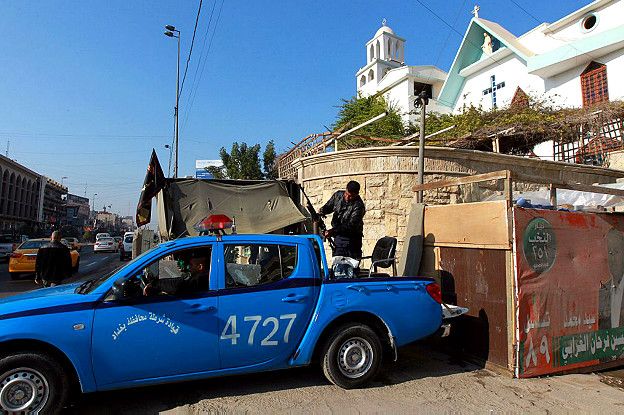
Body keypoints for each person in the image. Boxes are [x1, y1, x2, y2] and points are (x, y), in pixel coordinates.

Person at [318, 180, 366, 259]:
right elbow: (328, 206)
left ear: (356, 194)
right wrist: (321, 212)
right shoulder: (338, 195)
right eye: (346, 194)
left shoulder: (359, 206)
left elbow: (350, 226)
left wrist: (332, 231)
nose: (347, 198)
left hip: (352, 240)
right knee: (337, 261)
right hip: (338, 237)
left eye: (350, 196)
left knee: (349, 263)